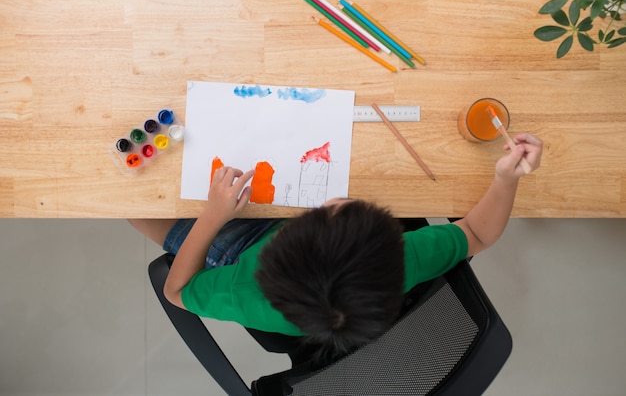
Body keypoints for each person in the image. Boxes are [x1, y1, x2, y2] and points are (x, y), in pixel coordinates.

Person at [129, 133, 543, 362]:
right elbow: (478, 233)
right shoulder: (396, 262)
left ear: (285, 242)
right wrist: (507, 179)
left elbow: (176, 292)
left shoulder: (245, 292)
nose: (338, 199)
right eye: (348, 210)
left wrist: (213, 217)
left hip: (235, 246)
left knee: (135, 208)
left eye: (324, 211)